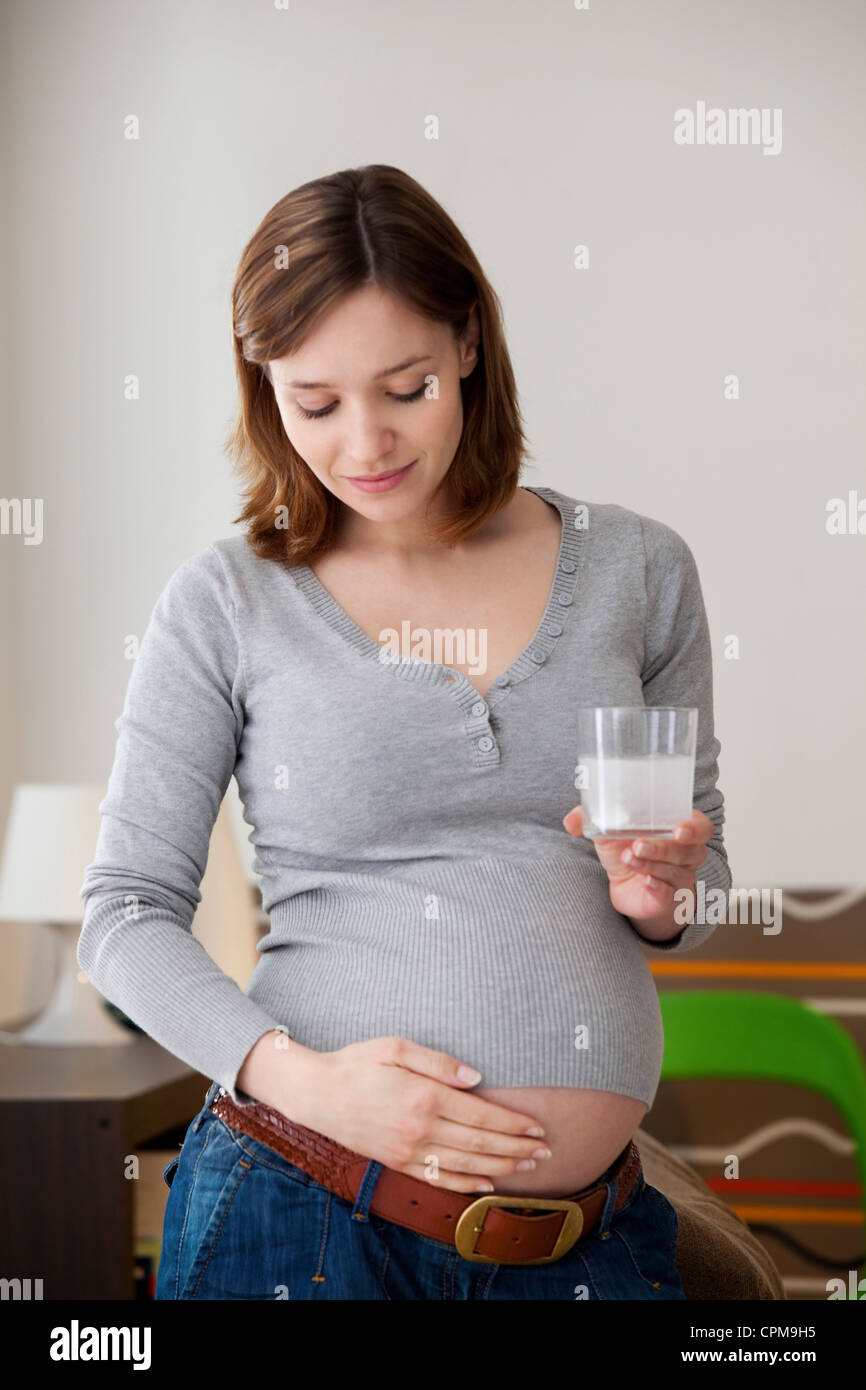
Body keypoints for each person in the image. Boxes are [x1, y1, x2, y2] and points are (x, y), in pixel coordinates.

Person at [78, 164, 732, 1300]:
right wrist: (307, 1084)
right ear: (262, 387)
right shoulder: (226, 600)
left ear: (469, 342)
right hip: (299, 1210)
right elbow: (122, 916)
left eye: (406, 386)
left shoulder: (639, 569)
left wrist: (664, 892)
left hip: (589, 1243)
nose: (366, 441)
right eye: (314, 403)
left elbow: (701, 881)